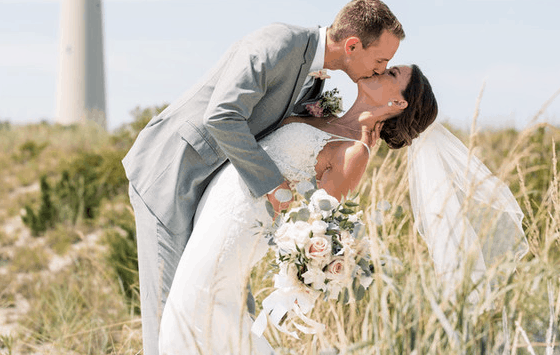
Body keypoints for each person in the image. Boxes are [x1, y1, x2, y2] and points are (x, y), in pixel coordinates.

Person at [123, 0, 405, 355]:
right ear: (352, 46)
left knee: (219, 309)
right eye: (381, 60)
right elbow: (222, 117)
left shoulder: (317, 78)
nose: (381, 69)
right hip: (174, 172)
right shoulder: (277, 44)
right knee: (171, 311)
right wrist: (273, 184)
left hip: (221, 197)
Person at [158, 65, 438, 354]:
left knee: (196, 306)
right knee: (192, 305)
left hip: (242, 224)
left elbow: (321, 224)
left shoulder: (355, 151)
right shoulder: (324, 115)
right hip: (219, 201)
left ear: (398, 103)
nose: (380, 69)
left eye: (392, 74)